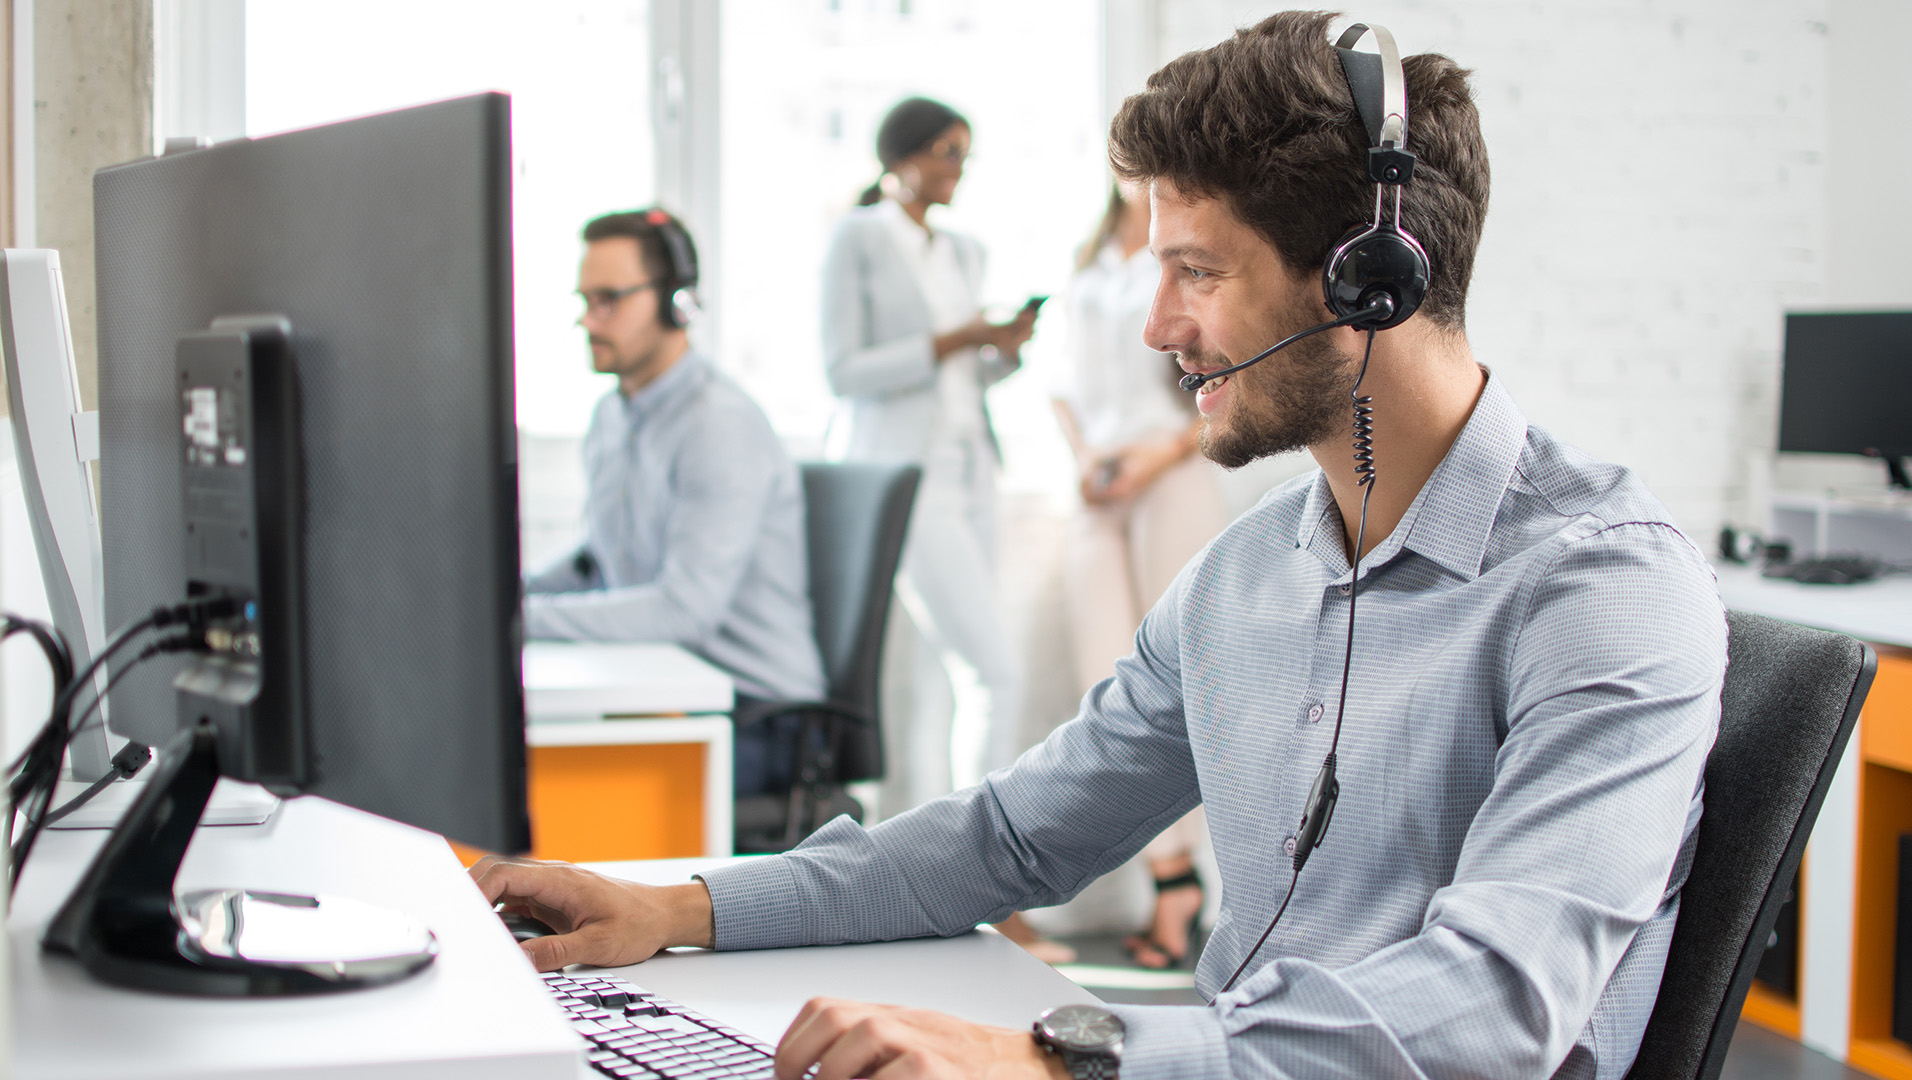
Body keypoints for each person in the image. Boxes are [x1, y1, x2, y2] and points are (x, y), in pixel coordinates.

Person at [475, 16, 1725, 1079]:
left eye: (1197, 271)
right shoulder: (1247, 579)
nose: (1160, 326)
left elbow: (1496, 1013)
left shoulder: (1603, 588)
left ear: (1364, 283)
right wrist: (677, 909)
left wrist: (1052, 1054)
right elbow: (1008, 841)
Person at [817, 95, 1065, 961]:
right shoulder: (859, 237)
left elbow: (970, 379)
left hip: (971, 470)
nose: (958, 169)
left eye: (966, 154)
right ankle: (987, 885)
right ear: (904, 157)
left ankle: (919, 884)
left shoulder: (963, 247)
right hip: (904, 478)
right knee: (992, 670)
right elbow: (844, 370)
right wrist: (963, 336)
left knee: (939, 687)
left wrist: (1003, 350)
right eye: (946, 153)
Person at [523, 209, 827, 795]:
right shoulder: (613, 414)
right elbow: (601, 559)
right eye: (584, 299)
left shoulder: (718, 426)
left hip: (756, 717)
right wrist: (510, 594)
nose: (590, 319)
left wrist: (520, 624)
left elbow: (685, 609)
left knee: (553, 793)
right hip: (668, 691)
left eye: (609, 298)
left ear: (677, 303)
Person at [1051, 180, 1226, 970]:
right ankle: (1171, 873)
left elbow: (1227, 369)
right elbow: (1061, 383)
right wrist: (1088, 459)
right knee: (1108, 681)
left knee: (1180, 674)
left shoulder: (1187, 255)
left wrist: (1157, 454)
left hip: (1171, 468)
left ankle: (1180, 884)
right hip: (1102, 478)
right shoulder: (1089, 256)